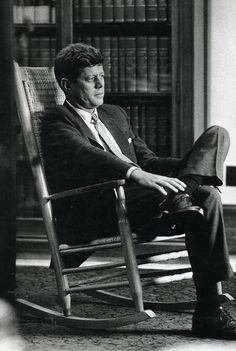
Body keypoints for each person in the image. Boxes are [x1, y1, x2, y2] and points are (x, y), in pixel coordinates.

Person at [41, 42, 236, 339]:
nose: (101, 83)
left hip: (142, 200)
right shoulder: (56, 119)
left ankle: (207, 310)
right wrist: (135, 173)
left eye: (102, 75)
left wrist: (191, 166)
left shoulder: (114, 113)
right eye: (90, 78)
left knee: (216, 139)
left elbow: (149, 160)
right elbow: (87, 154)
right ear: (67, 84)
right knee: (205, 193)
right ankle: (209, 307)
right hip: (101, 206)